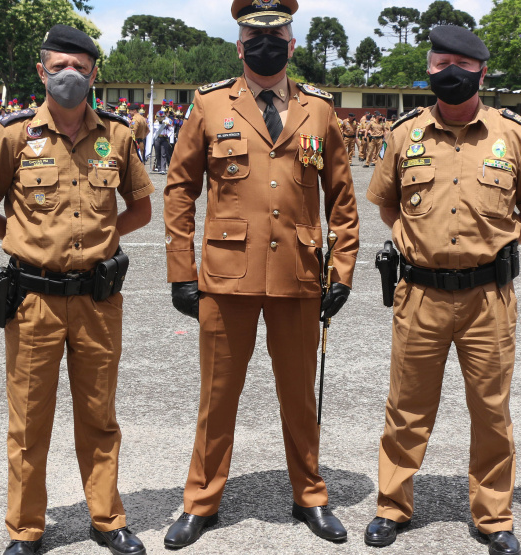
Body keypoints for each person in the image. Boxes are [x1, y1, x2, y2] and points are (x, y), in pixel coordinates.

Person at [162, 0, 360, 548]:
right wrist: (182, 269)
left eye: (277, 35)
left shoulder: (319, 109)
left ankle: (311, 496)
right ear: (240, 44)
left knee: (299, 396)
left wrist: (341, 269)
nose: (266, 44)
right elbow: (180, 191)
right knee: (217, 396)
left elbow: (341, 197)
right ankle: (200, 502)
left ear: (292, 45)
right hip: (226, 278)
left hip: (298, 276)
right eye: (256, 35)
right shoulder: (208, 105)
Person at [0, 24, 153, 555]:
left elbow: (140, 206)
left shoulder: (116, 135)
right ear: (41, 70)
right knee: (29, 421)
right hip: (34, 301)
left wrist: (100, 241)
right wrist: (26, 241)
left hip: (97, 299)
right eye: (59, 64)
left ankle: (107, 519)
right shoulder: (14, 135)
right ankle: (25, 530)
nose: (70, 73)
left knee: (99, 415)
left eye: (80, 65)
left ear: (94, 72)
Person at [363, 26, 521, 555]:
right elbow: (385, 201)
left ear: (482, 72)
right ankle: (392, 506)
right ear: (429, 69)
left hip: (487, 298)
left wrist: (502, 243)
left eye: (460, 65)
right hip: (419, 295)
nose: (448, 72)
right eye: (439, 61)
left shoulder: (512, 135)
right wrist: (406, 236)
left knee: (491, 409)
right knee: (406, 407)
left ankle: (494, 517)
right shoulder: (405, 133)